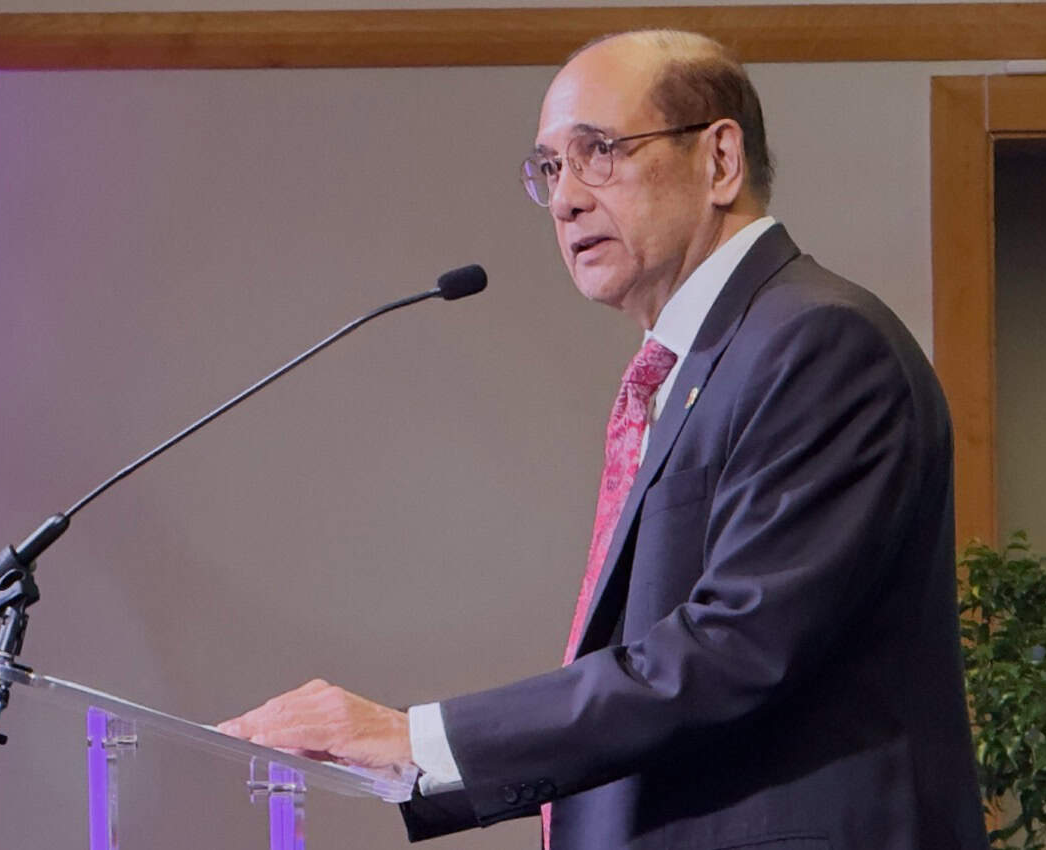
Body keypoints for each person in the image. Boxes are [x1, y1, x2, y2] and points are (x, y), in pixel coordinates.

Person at [220, 29, 990, 850]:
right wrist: (410, 762)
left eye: (599, 153)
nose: (566, 199)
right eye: (551, 168)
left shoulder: (820, 343)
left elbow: (733, 651)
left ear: (720, 160)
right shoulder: (696, 367)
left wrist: (422, 741)